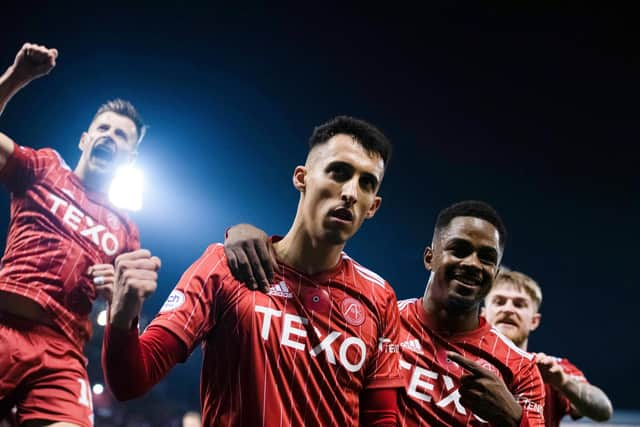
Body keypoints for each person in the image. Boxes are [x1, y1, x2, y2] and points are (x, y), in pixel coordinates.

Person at [103, 116, 404, 426]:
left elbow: (381, 418)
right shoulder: (225, 265)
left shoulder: (379, 298)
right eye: (338, 172)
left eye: (366, 182)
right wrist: (124, 313)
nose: (351, 192)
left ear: (373, 206)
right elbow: (130, 381)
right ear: (302, 177)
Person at [226, 200, 546, 426]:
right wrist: (246, 236)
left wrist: (515, 419)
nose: (473, 264)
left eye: (487, 257)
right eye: (459, 250)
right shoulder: (379, 320)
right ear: (429, 257)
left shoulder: (520, 368)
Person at [0, 43, 145, 427]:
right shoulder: (44, 167)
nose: (109, 136)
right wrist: (16, 79)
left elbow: (126, 328)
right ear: (84, 139)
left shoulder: (127, 230)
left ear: (129, 159)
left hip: (62, 357)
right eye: (103, 128)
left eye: (121, 136)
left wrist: (118, 298)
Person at [483, 268, 613, 426]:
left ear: (534, 321)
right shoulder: (458, 362)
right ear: (482, 314)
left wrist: (562, 382)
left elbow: (603, 411)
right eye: (499, 301)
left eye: (519, 304)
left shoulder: (552, 369)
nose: (509, 309)